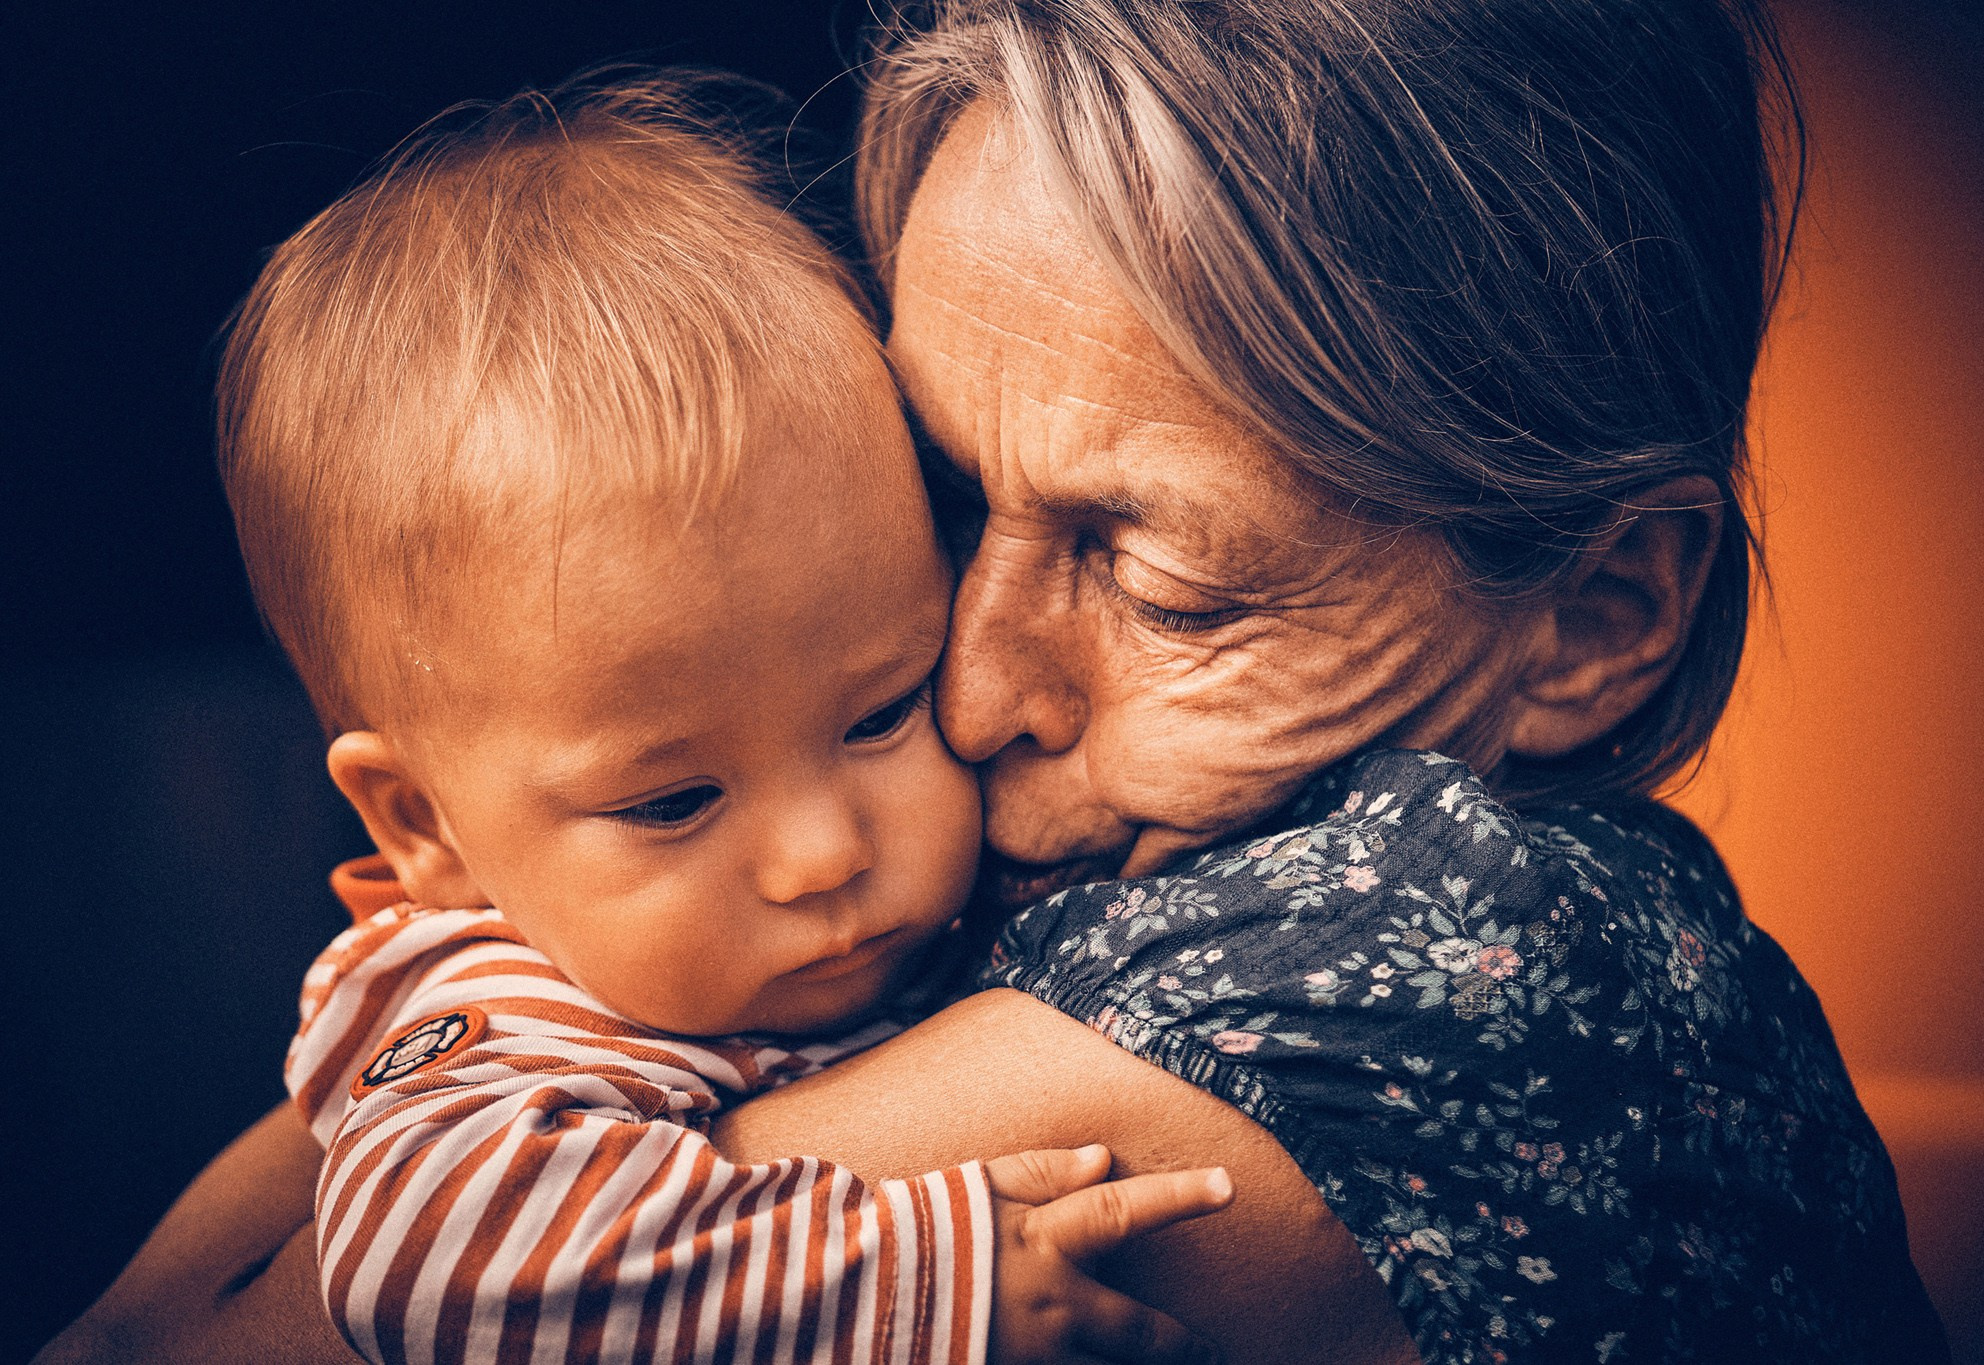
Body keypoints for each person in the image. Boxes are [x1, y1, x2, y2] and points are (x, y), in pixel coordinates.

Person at [39, 2, 1947, 1363]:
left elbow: (262, 1331)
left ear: (1600, 615)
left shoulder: (1467, 955)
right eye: (949, 499)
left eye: (1169, 578)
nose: (965, 696)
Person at [162, 73, 1236, 1365]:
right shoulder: (509, 1008)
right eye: (672, 800)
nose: (824, 852)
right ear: (424, 824)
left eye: (882, 709)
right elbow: (425, 1257)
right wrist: (908, 1281)